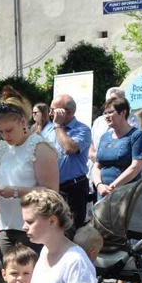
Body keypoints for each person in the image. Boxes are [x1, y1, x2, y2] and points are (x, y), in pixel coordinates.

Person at [0, 86, 58, 254]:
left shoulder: (40, 148)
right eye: (0, 131)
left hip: (34, 228)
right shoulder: (3, 148)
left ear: (22, 121)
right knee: (10, 276)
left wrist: (15, 191)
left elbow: (51, 192)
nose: (5, 136)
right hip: (6, 225)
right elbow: (0, 192)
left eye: (9, 130)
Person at [91, 97, 142, 200]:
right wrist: (99, 185)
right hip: (103, 194)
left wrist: (113, 187)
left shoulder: (136, 135)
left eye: (110, 112)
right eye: (105, 113)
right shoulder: (105, 137)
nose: (106, 116)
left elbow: (136, 167)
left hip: (126, 194)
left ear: (123, 112)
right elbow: (97, 166)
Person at [48, 94, 92, 228]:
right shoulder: (49, 129)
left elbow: (69, 148)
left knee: (71, 230)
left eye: (53, 110)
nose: (50, 113)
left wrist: (58, 126)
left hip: (74, 189)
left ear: (67, 112)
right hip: (54, 188)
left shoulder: (82, 130)